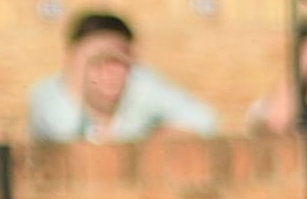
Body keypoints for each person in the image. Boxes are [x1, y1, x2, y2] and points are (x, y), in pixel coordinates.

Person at [25, 12, 219, 142]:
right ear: (72, 58)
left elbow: (204, 122)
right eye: (96, 60)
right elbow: (62, 138)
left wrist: (153, 140)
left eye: (116, 60)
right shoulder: (48, 93)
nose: (109, 71)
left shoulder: (143, 84)